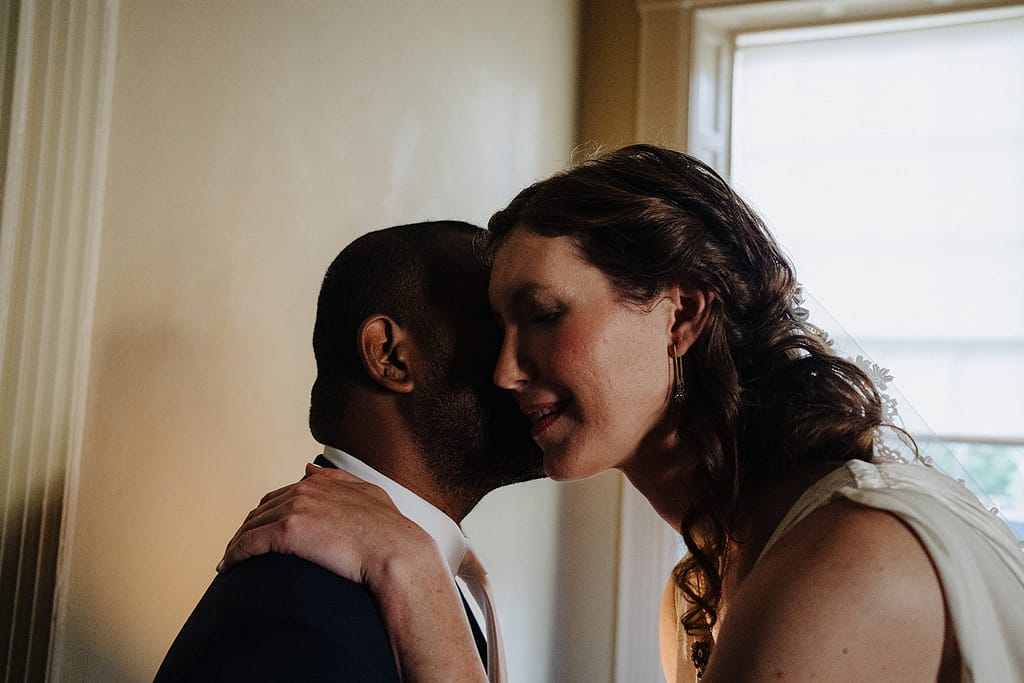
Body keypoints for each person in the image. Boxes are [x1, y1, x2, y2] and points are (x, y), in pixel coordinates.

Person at [220, 146, 1024, 682]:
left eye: (543, 314)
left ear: (681, 315)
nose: (503, 370)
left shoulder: (847, 561)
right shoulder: (702, 588)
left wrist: (416, 578)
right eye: (495, 329)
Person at [154, 221, 543, 682]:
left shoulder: (424, 586)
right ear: (389, 355)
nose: (531, 358)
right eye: (496, 324)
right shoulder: (293, 622)